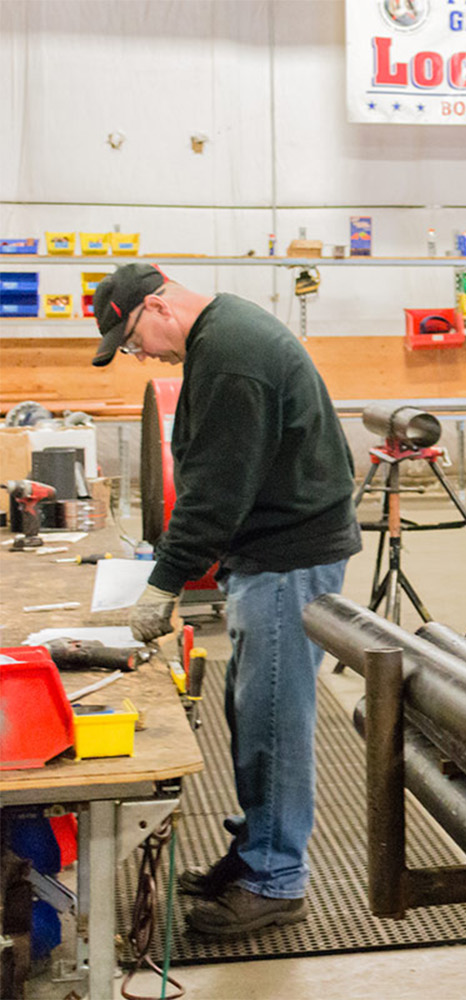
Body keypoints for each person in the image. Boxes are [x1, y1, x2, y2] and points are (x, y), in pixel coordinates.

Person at [92, 263, 360, 938]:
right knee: (253, 713)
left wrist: (166, 581)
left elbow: (215, 484)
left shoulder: (231, 355)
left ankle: (276, 880)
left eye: (133, 340)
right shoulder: (222, 335)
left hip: (287, 556)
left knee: (273, 721)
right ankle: (253, 853)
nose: (142, 354)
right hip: (270, 551)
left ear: (157, 306)